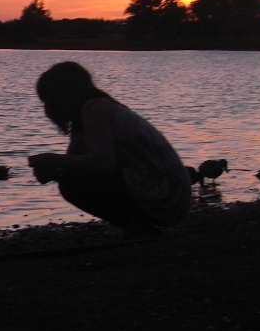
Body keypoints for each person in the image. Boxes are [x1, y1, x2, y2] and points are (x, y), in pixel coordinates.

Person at [27, 61, 192, 236]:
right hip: (170, 196)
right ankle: (137, 226)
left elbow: (103, 162)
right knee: (70, 179)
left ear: (63, 95)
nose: (47, 109)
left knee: (71, 183)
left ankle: (137, 228)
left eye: (48, 101)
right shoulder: (87, 117)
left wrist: (53, 159)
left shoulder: (95, 108)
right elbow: (75, 164)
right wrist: (54, 171)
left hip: (168, 196)